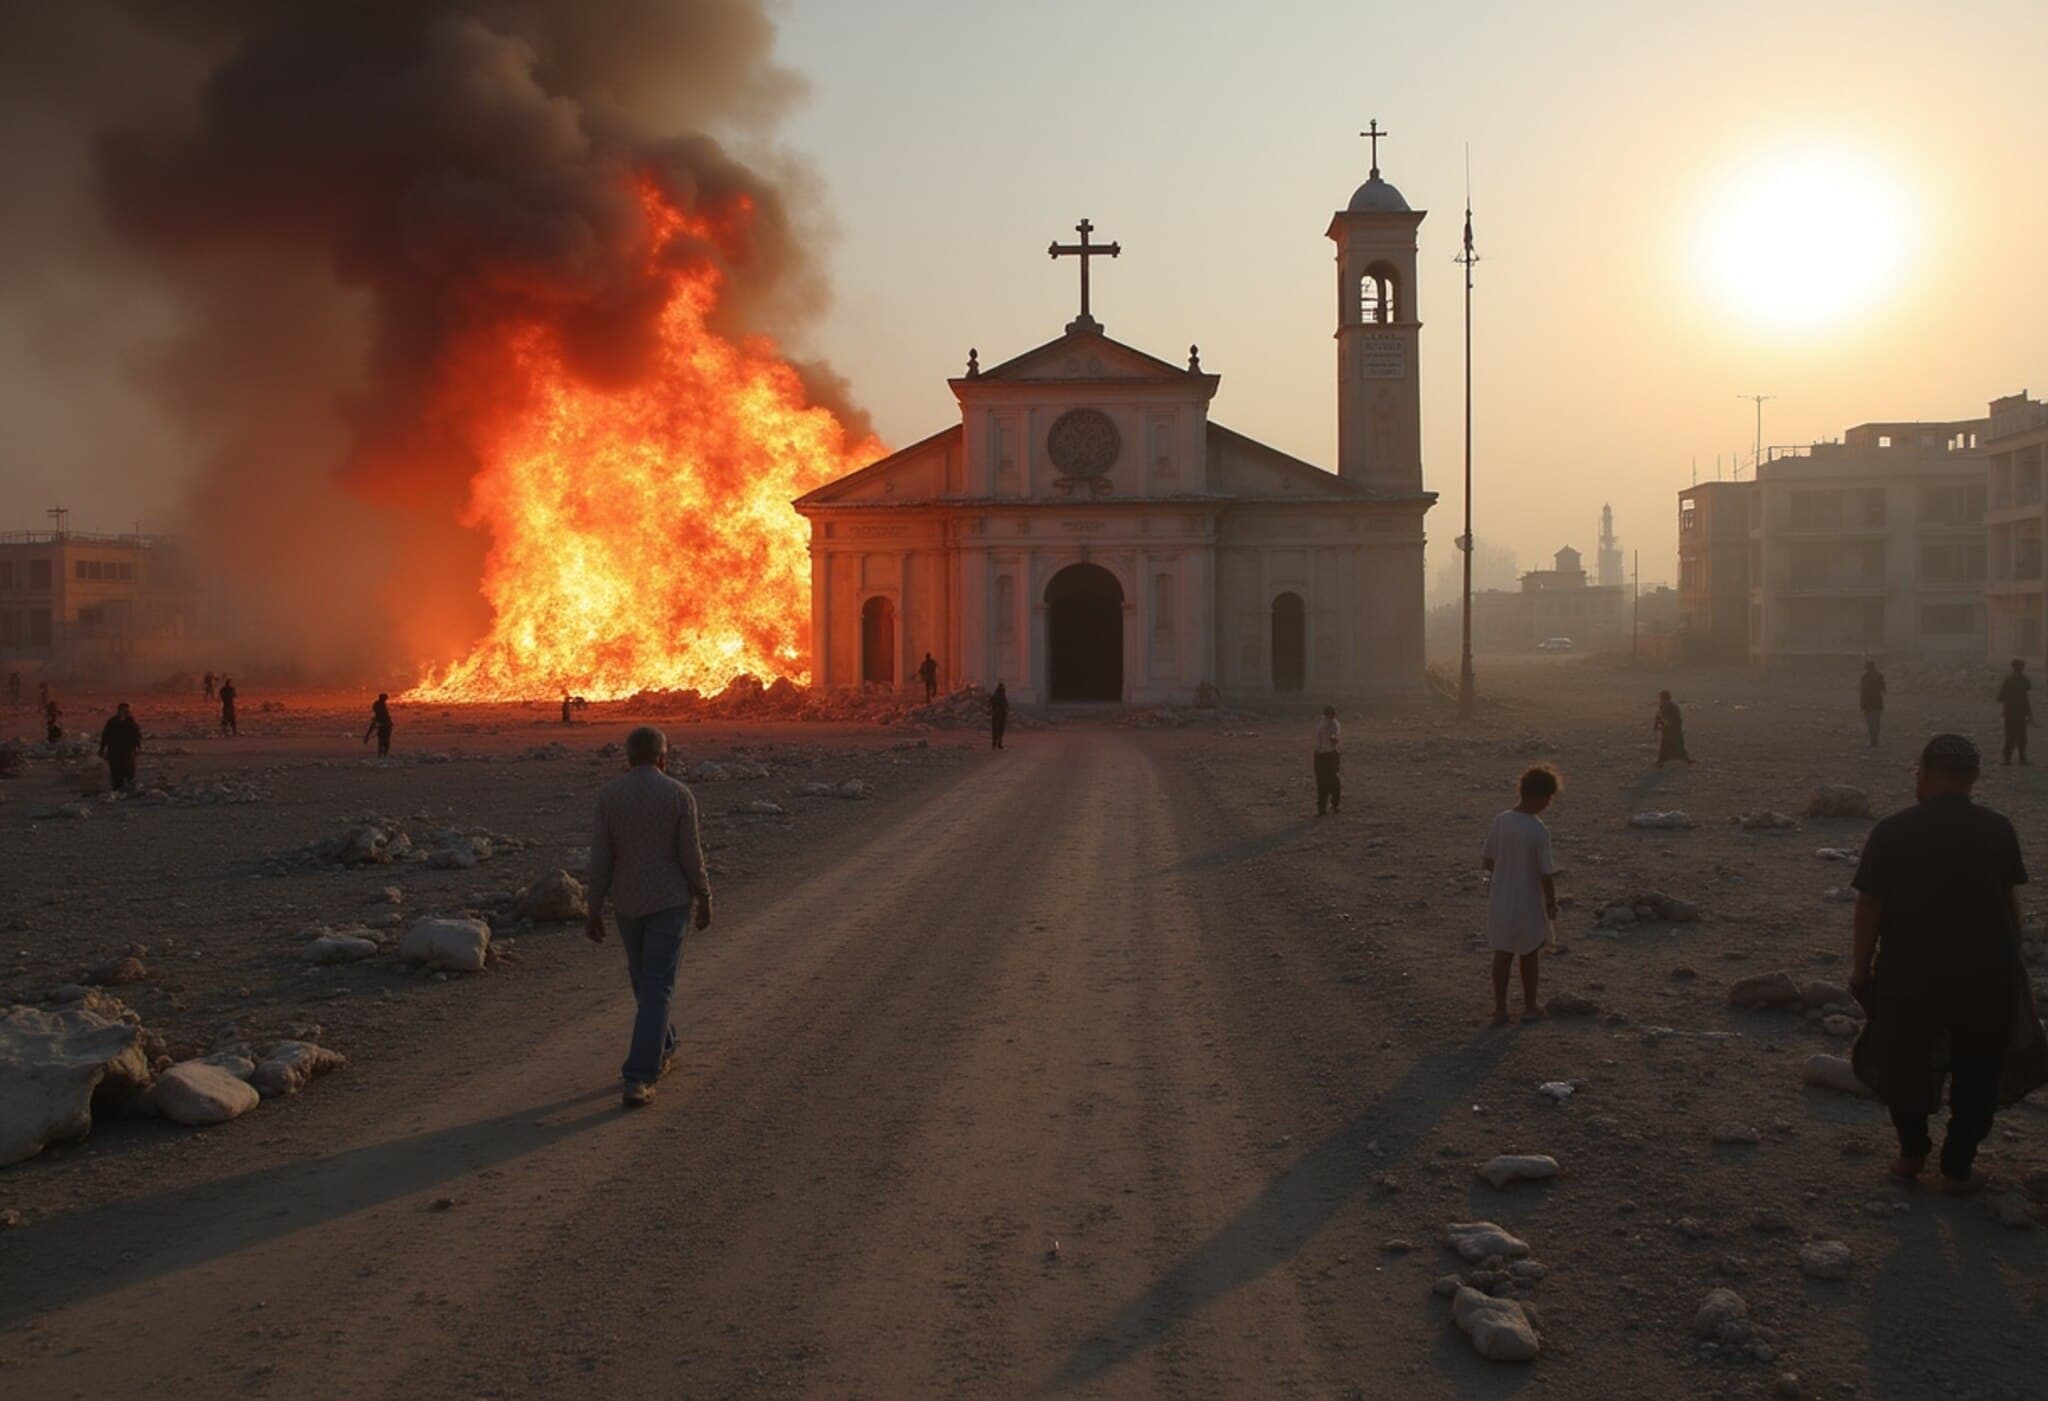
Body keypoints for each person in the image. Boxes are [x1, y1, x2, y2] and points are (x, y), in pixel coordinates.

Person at [1850, 734, 2048, 1191]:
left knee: (1906, 1061)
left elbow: (1869, 905)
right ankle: (1958, 1167)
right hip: (1987, 973)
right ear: (1973, 779)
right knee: (1979, 1068)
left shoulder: (1893, 830)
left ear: (1924, 774)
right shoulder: (1998, 829)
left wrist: (1862, 967)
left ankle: (1911, 1156)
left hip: (1911, 972)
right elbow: (2008, 902)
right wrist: (2012, 958)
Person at [585, 725, 713, 1108]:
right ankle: (639, 1077)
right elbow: (691, 854)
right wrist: (704, 894)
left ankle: (662, 1045)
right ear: (662, 757)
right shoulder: (678, 794)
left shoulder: (609, 796)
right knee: (654, 984)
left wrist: (593, 907)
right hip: (669, 900)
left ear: (628, 758)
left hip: (627, 902)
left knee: (646, 981)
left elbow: (601, 857)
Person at [1481, 765, 1562, 1026]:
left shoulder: (1501, 820)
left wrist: (1506, 875)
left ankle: (1500, 1010)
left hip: (1501, 898)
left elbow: (1488, 860)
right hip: (1528, 900)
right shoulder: (1539, 831)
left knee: (1502, 952)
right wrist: (1551, 902)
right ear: (1542, 797)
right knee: (1529, 953)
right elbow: (1545, 873)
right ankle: (1529, 1007)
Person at [99, 701, 143, 792]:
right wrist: (102, 748)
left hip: (127, 753)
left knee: (129, 775)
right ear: (119, 710)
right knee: (116, 776)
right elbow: (105, 736)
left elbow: (137, 736)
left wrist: (137, 747)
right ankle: (117, 793)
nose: (125, 712)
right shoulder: (112, 722)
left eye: (126, 710)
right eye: (123, 710)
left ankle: (127, 793)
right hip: (115, 753)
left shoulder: (131, 722)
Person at [1997, 658, 2031, 765]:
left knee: (2012, 736)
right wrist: (2029, 714)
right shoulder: (2023, 680)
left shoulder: (2009, 680)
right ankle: (2019, 758)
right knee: (2019, 736)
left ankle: (2009, 759)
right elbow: (2025, 698)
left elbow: (2000, 697)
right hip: (2017, 713)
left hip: (2011, 713)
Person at [1312, 705, 1343, 815]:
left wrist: (1333, 740)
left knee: (1327, 781)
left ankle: (1329, 806)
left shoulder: (1328, 724)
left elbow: (1333, 739)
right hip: (1325, 755)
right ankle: (1328, 806)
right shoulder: (1329, 723)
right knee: (1327, 781)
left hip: (1325, 755)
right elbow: (1331, 739)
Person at [1653, 690, 1694, 766]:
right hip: (1672, 729)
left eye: (1661, 697)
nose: (1660, 699)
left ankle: (1661, 761)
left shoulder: (1669, 706)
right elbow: (1659, 716)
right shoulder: (1667, 705)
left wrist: (1659, 725)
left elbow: (1671, 718)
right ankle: (1685, 759)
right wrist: (1658, 724)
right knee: (1676, 745)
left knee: (1669, 745)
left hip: (1672, 730)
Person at [1859, 660, 1886, 748]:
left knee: (1870, 722)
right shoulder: (1880, 676)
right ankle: (1875, 739)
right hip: (1878, 702)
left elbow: (1863, 691)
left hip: (1868, 702)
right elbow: (1884, 689)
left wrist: (1862, 703)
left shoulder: (1864, 677)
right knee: (1877, 721)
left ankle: (1872, 740)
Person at [363, 692, 394, 758]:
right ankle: (382, 755)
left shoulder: (380, 707)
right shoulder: (380, 707)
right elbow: (373, 725)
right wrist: (367, 736)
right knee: (383, 741)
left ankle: (382, 755)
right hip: (385, 726)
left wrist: (367, 736)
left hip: (386, 726)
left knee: (384, 741)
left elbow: (373, 725)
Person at [990, 682, 1009, 750]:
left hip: (998, 715)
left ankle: (997, 743)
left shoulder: (999, 695)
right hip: (998, 715)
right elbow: (1004, 704)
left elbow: (1006, 704)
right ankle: (996, 744)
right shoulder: (999, 695)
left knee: (998, 730)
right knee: (998, 729)